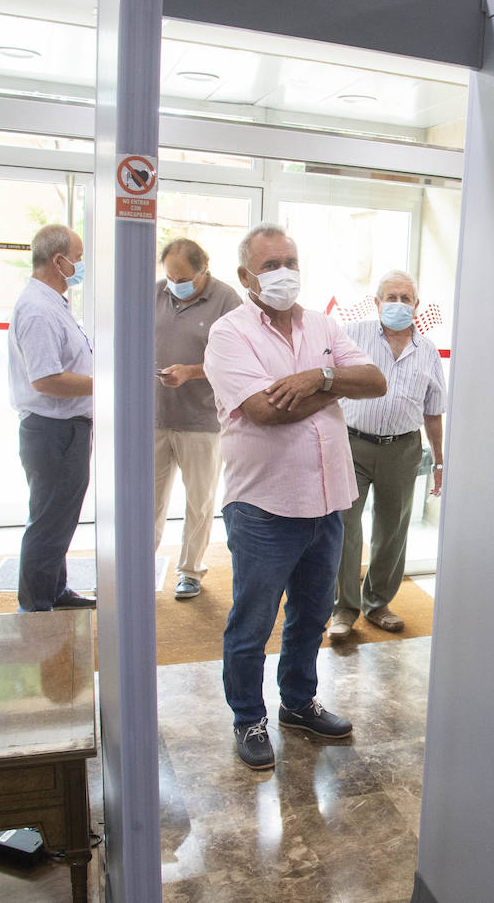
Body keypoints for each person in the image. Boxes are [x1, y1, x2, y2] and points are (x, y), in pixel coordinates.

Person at [204, 223, 387, 771]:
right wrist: (334, 386)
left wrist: (315, 377)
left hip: (327, 500)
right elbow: (263, 411)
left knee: (310, 615)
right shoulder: (229, 334)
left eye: (290, 261)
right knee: (253, 622)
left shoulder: (324, 325)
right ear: (245, 277)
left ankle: (298, 703)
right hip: (264, 505)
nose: (284, 273)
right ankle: (248, 716)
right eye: (270, 266)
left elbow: (375, 381)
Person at [328, 270, 446, 640]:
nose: (398, 304)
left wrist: (440, 460)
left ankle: (377, 603)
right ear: (377, 303)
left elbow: (433, 409)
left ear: (416, 305)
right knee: (345, 526)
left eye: (405, 298)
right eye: (390, 298)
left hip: (403, 448)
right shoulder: (354, 335)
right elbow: (326, 381)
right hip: (352, 443)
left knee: (392, 528)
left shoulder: (426, 351)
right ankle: (343, 608)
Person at [6, 224, 97, 613]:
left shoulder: (51, 302)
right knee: (49, 521)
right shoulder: (39, 310)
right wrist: (106, 385)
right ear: (58, 261)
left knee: (57, 518)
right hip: (54, 431)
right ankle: (38, 605)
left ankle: (54, 590)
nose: (80, 265)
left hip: (63, 430)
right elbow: (46, 379)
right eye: (77, 258)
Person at [153, 238, 243, 600]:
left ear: (203, 270)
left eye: (184, 277)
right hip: (156, 416)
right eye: (171, 276)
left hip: (203, 420)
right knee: (149, 499)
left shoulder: (227, 300)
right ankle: (140, 564)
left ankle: (189, 571)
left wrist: (190, 372)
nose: (176, 283)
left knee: (200, 500)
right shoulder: (156, 293)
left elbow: (236, 359)